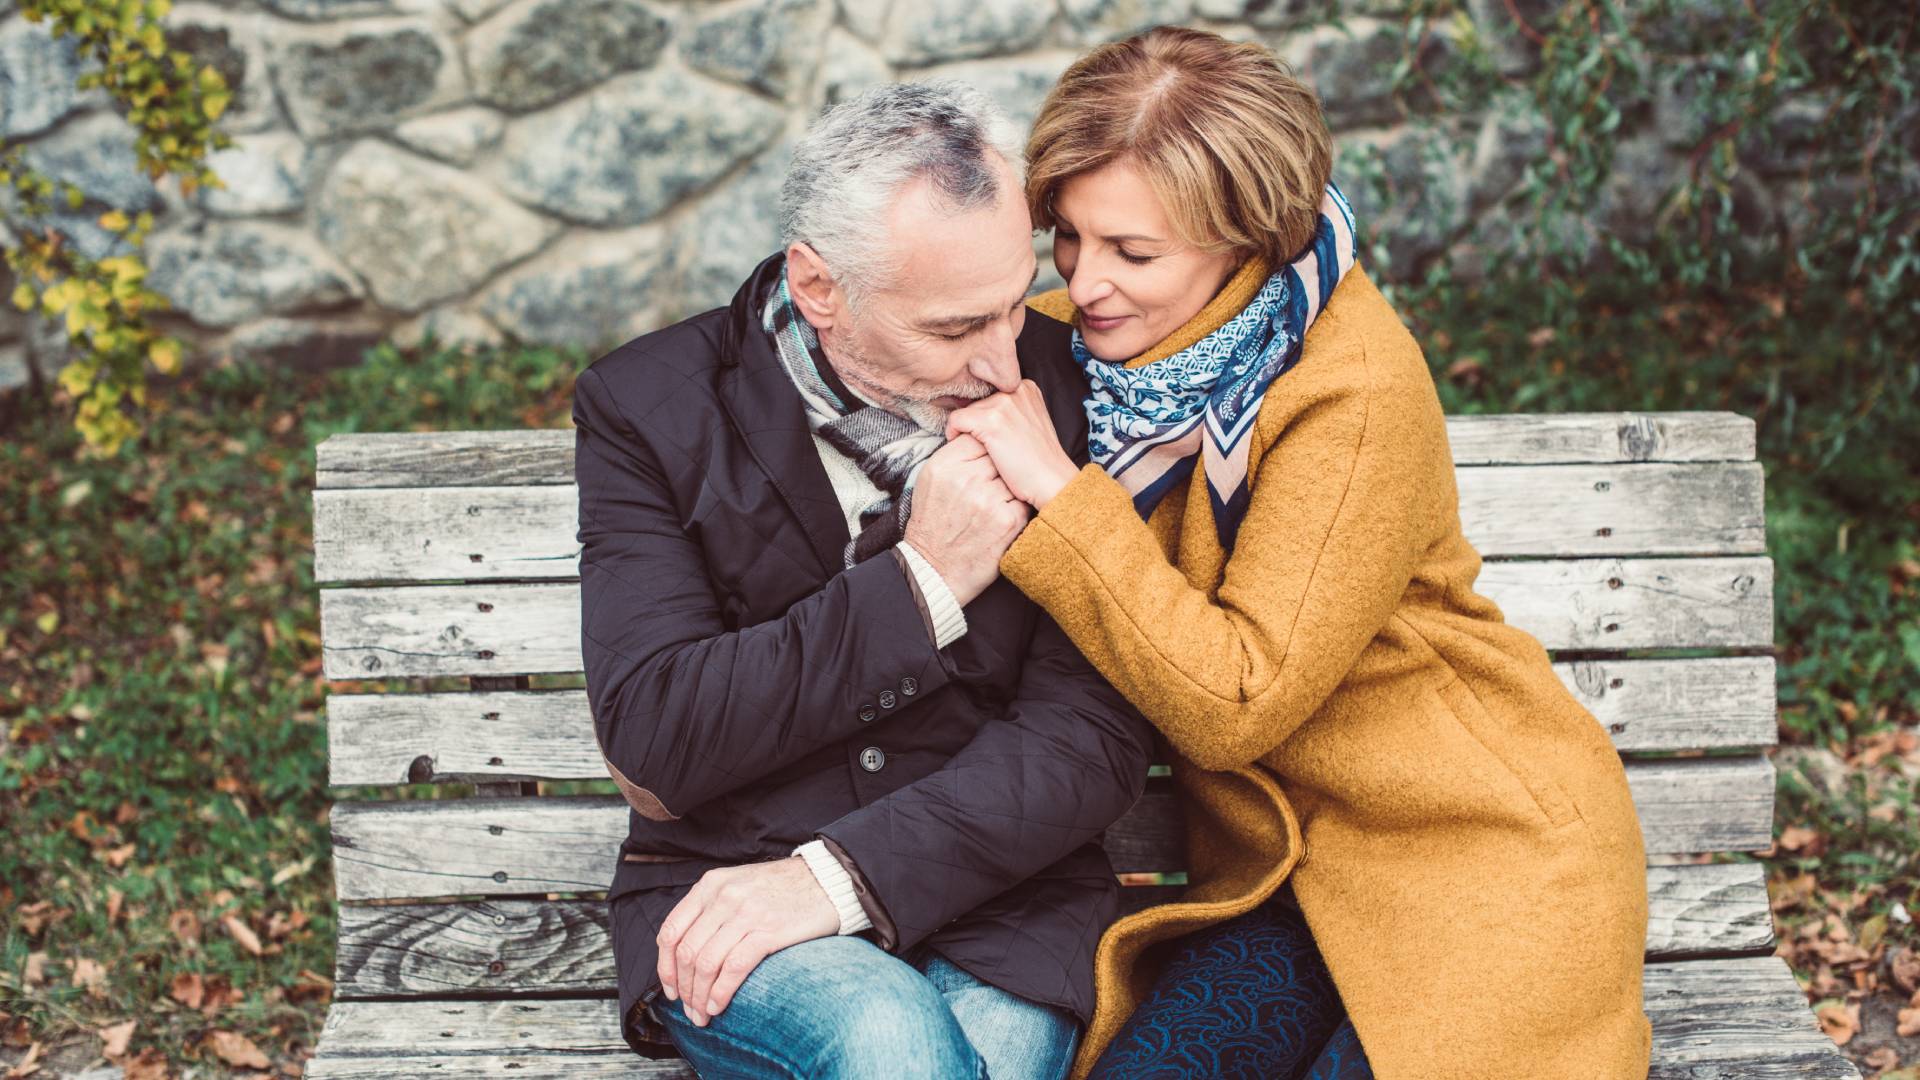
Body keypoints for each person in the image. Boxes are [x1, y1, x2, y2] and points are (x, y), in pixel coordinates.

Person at [946, 26, 1653, 1080]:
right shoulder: (1103, 351)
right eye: (1070, 239)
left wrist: (1061, 491)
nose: (1087, 284)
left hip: (1477, 857)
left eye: (1134, 253)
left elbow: (1239, 701)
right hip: (1285, 877)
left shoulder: (1349, 391)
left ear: (1251, 238)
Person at [571, 79, 1155, 1080]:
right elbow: (660, 733)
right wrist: (926, 581)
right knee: (888, 1045)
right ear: (819, 287)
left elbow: (1090, 740)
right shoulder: (648, 409)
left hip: (1005, 900)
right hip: (730, 891)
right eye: (954, 328)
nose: (1001, 366)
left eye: (1017, 307)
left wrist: (839, 878)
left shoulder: (1080, 392)